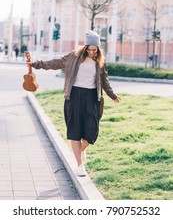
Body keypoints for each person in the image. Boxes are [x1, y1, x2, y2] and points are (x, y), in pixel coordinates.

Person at [26, 30, 121, 176]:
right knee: (75, 131)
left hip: (91, 98)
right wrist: (36, 64)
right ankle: (79, 165)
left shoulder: (100, 61)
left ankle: (81, 150)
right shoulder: (73, 57)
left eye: (94, 50)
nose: (91, 52)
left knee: (91, 132)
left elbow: (104, 81)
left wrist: (113, 95)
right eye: (88, 49)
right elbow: (55, 63)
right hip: (74, 96)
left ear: (98, 48)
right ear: (85, 47)